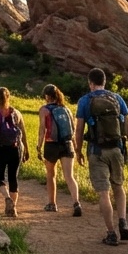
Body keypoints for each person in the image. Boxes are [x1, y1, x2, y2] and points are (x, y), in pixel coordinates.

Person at [74, 68, 128, 246]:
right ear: (105, 82)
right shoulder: (117, 98)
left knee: (103, 193)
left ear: (90, 83)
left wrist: (78, 151)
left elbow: (79, 130)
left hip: (97, 151)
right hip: (117, 150)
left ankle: (111, 233)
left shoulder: (85, 101)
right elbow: (127, 127)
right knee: (118, 187)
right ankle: (123, 220)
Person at [0, 87, 29, 217]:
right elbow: (23, 134)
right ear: (9, 97)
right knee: (13, 178)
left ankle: (7, 198)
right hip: (15, 149)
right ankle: (13, 208)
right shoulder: (17, 113)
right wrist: (26, 150)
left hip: (0, 149)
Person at [38, 83, 82, 217]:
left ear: (47, 96)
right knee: (69, 176)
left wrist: (39, 146)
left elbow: (42, 130)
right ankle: (76, 203)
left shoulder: (44, 110)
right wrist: (76, 148)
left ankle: (52, 204)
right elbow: (73, 130)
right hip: (67, 144)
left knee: (51, 175)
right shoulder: (66, 109)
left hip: (51, 145)